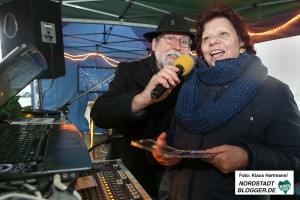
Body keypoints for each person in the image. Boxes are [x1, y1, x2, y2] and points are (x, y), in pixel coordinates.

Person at [153, 5, 300, 200]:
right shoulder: (188, 87)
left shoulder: (273, 91)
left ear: (241, 43)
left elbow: (291, 177)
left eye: (223, 34)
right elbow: (177, 139)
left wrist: (247, 160)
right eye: (206, 38)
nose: (213, 41)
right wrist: (167, 151)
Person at [90, 13, 195, 198]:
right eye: (170, 39)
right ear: (154, 45)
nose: (177, 46)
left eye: (184, 41)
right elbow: (99, 114)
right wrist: (142, 99)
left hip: (174, 172)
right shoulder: (129, 71)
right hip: (132, 169)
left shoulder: (194, 79)